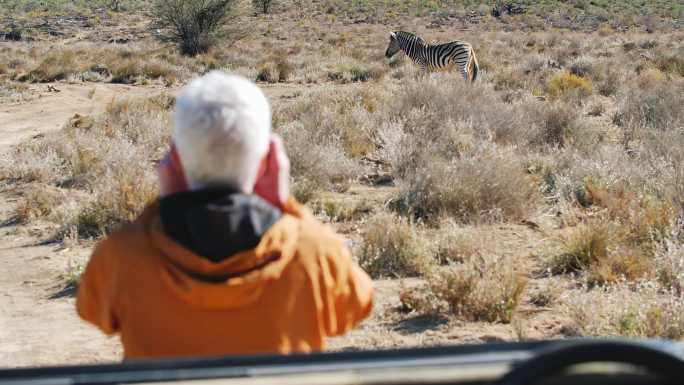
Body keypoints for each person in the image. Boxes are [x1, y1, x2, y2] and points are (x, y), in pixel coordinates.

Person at [76, 71, 373, 359]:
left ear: (175, 160)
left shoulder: (123, 254)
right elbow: (357, 306)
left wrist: (160, 206)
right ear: (268, 161)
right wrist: (285, 208)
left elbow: (91, 311)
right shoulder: (314, 252)